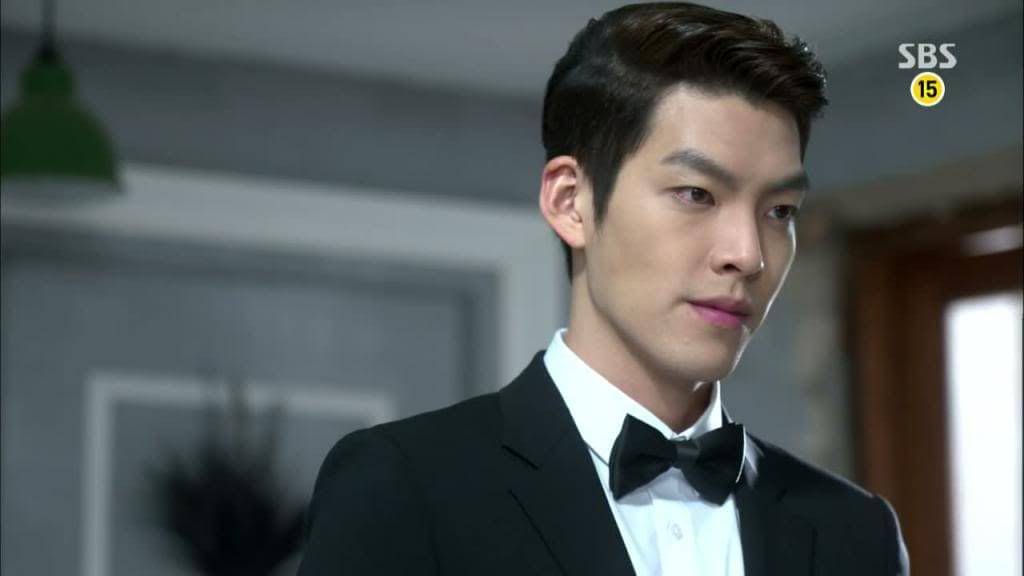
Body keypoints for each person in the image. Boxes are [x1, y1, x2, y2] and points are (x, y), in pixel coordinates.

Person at [296, 3, 910, 575]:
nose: (748, 254)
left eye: (779, 211)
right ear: (572, 202)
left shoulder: (855, 530)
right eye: (696, 194)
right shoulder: (403, 485)